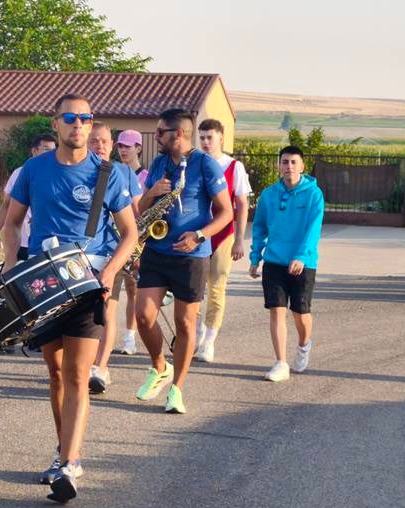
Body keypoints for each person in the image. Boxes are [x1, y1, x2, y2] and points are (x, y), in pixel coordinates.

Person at [2, 93, 137, 503]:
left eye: (86, 118)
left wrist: (109, 273)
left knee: (79, 374)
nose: (79, 125)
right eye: (71, 118)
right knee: (56, 372)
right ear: (56, 123)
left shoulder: (106, 173)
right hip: (43, 282)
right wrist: (11, 270)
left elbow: (129, 232)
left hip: (86, 282)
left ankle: (70, 462)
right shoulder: (33, 169)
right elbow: (11, 224)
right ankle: (64, 453)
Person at [134, 108, 233, 414]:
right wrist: (152, 191)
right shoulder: (159, 162)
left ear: (178, 134)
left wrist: (199, 235)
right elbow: (141, 207)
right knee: (143, 316)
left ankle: (176, 389)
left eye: (161, 132)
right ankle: (159, 366)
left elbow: (226, 212)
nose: (156, 136)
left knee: (185, 322)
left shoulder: (206, 165)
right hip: (157, 249)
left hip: (191, 256)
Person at [248, 145, 325, 383]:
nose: (289, 166)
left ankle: (303, 345)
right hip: (274, 261)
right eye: (284, 162)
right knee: (277, 310)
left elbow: (314, 229)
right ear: (279, 166)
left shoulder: (314, 194)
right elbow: (259, 227)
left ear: (302, 166)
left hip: (304, 262)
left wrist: (301, 255)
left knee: (300, 313)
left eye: (293, 162)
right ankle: (281, 362)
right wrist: (255, 257)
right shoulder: (269, 195)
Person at [0, 134, 57, 352]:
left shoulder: (56, 170)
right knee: (8, 287)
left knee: (40, 290)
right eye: (45, 149)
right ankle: (5, 333)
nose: (49, 153)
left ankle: (36, 334)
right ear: (34, 151)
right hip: (19, 239)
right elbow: (8, 206)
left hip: (43, 242)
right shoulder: (21, 172)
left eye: (53, 149)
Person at [86, 122, 142, 393]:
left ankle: (100, 368)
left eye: (105, 141)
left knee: (107, 310)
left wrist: (135, 251)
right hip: (80, 254)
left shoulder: (123, 173)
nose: (100, 146)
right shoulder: (77, 171)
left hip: (112, 253)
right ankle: (83, 363)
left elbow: (136, 215)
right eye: (94, 141)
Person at [195, 119, 252, 362]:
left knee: (216, 287)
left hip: (223, 234)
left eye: (210, 137)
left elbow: (241, 204)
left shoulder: (233, 166)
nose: (206, 142)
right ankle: (194, 336)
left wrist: (240, 239)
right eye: (202, 138)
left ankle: (209, 341)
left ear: (221, 138)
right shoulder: (195, 163)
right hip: (196, 234)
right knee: (193, 289)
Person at [114, 130, 148, 355]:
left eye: (128, 146)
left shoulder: (146, 176)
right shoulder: (115, 172)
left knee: (133, 289)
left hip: (138, 237)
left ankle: (129, 338)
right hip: (114, 237)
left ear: (138, 148)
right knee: (112, 290)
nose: (123, 150)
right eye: (120, 146)